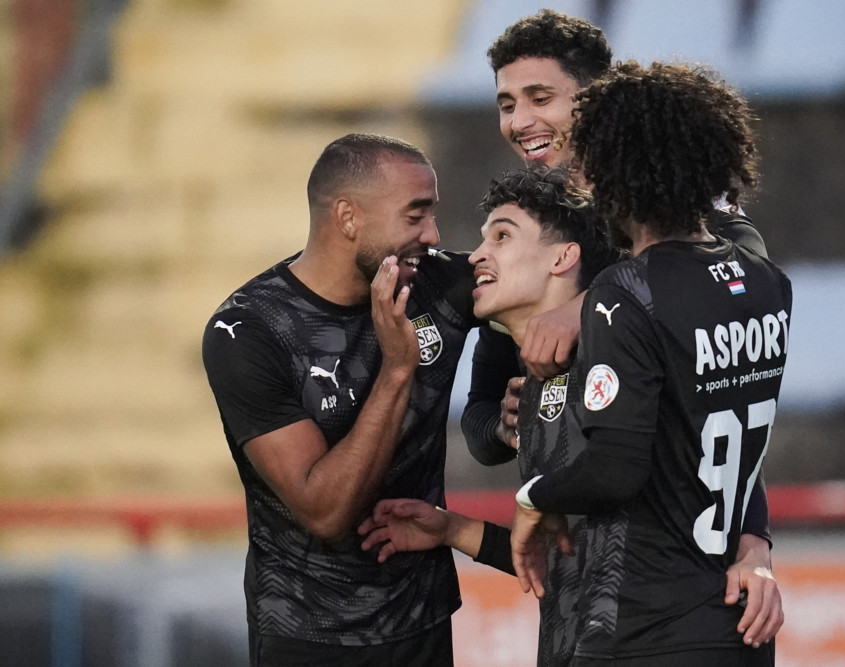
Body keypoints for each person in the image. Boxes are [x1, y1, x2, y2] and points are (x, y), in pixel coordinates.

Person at [461, 8, 783, 639]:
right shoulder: (523, 239)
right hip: (584, 578)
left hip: (661, 584)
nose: (520, 122)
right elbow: (481, 424)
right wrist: (505, 425)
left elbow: (727, 380)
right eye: (506, 104)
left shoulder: (678, 213)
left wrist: (756, 542)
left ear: (597, 102)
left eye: (540, 98)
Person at [202, 134, 484, 667]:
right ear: (348, 217)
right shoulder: (249, 331)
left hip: (423, 624)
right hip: (307, 636)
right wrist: (398, 370)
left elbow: (560, 279)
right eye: (415, 215)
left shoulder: (436, 284)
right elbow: (325, 511)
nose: (433, 234)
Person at [362, 164, 621, 666]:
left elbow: (653, 546)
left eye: (502, 236)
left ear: (563, 257)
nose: (477, 255)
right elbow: (570, 557)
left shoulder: (615, 366)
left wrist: (751, 543)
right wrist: (451, 530)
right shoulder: (531, 386)